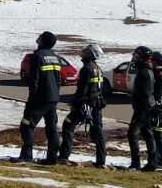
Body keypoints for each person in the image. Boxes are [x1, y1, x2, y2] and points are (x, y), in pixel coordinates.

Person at [58, 42, 108, 167]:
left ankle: (64, 156)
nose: (83, 52)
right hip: (96, 105)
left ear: (90, 54)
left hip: (85, 105)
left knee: (68, 125)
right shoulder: (98, 68)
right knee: (98, 132)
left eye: (85, 51)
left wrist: (76, 103)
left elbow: (82, 90)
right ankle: (101, 160)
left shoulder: (86, 69)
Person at [18, 31, 63, 164]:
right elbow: (59, 80)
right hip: (53, 98)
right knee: (51, 127)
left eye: (40, 36)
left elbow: (34, 81)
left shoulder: (37, 56)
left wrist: (31, 99)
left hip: (40, 98)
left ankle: (26, 155)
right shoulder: (56, 57)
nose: (37, 38)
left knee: (26, 124)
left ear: (42, 41)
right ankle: (52, 157)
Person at [126, 45, 155, 169]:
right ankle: (152, 162)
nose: (134, 58)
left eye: (136, 56)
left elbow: (143, 93)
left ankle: (135, 163)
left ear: (142, 58)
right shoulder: (147, 70)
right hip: (145, 107)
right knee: (147, 133)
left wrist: (140, 110)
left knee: (132, 134)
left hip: (143, 109)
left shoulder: (144, 73)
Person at [148, 50, 162, 169]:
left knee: (158, 133)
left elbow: (157, 94)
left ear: (155, 61)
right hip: (156, 108)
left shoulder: (161, 76)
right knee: (155, 134)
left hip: (159, 110)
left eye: (152, 60)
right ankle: (157, 158)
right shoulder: (156, 73)